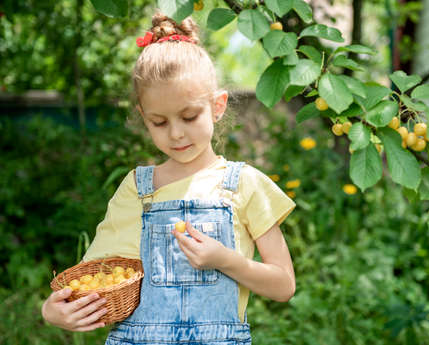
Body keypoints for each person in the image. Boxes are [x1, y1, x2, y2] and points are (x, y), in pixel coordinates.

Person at [41, 11, 296, 345]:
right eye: (159, 123)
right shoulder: (138, 189)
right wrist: (54, 311)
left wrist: (226, 260)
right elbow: (98, 281)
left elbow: (283, 285)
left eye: (189, 116)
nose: (176, 134)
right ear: (143, 118)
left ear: (217, 106)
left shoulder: (244, 184)